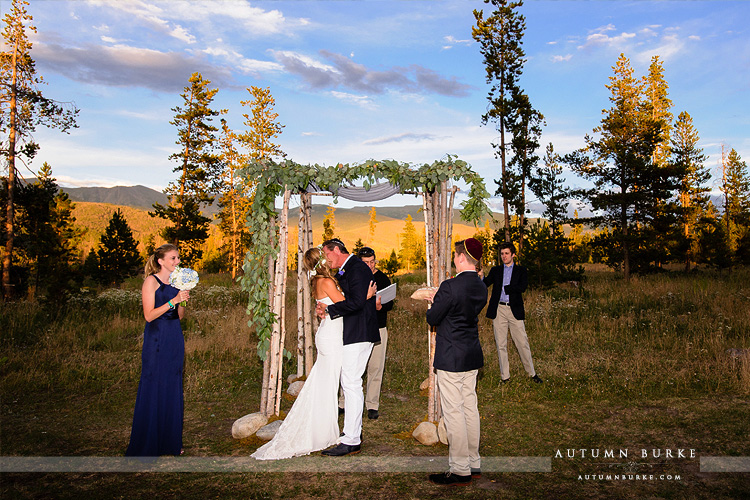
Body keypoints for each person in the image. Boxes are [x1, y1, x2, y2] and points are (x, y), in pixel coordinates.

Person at [252, 247, 345, 460]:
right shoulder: (327, 282)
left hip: (329, 333)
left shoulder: (317, 282)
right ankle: (323, 433)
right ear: (322, 261)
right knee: (328, 385)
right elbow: (346, 305)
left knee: (325, 385)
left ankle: (324, 430)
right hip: (331, 337)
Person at [426, 238, 487, 486]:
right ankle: (474, 462)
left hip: (451, 355)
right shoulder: (481, 286)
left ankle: (460, 468)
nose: (453, 259)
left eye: (455, 255)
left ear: (462, 257)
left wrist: (434, 300)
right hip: (471, 352)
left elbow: (433, 317)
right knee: (470, 407)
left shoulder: (450, 286)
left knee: (453, 412)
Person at [315, 238, 380, 456]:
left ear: (336, 250)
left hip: (360, 332)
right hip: (354, 331)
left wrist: (331, 310)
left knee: (351, 383)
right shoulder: (348, 269)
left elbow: (356, 303)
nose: (326, 258)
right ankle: (353, 431)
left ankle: (352, 439)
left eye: (327, 254)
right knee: (350, 382)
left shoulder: (357, 268)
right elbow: (355, 299)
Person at [126, 244, 190, 457]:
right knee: (154, 385)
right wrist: (173, 300)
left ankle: (171, 442)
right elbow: (149, 315)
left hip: (174, 338)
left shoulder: (176, 281)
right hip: (156, 340)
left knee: (173, 386)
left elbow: (179, 316)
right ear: (161, 261)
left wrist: (183, 299)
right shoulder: (150, 281)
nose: (177, 262)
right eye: (173, 258)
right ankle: (148, 443)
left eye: (178, 258)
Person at [483, 242, 542, 384]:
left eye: (506, 253)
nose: (504, 256)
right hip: (499, 309)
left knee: (522, 342)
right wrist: (480, 277)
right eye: (502, 253)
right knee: (501, 344)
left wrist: (507, 288)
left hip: (514, 309)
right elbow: (485, 284)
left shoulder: (521, 270)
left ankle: (532, 374)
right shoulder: (495, 270)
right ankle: (505, 377)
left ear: (513, 254)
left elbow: (523, 287)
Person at [354, 247, 394, 420]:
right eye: (366, 263)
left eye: (372, 262)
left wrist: (381, 306)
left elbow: (390, 304)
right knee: (353, 366)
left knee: (376, 367)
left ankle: (372, 404)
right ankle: (344, 401)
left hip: (378, 326)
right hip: (357, 327)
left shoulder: (382, 278)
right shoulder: (354, 275)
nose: (370, 266)